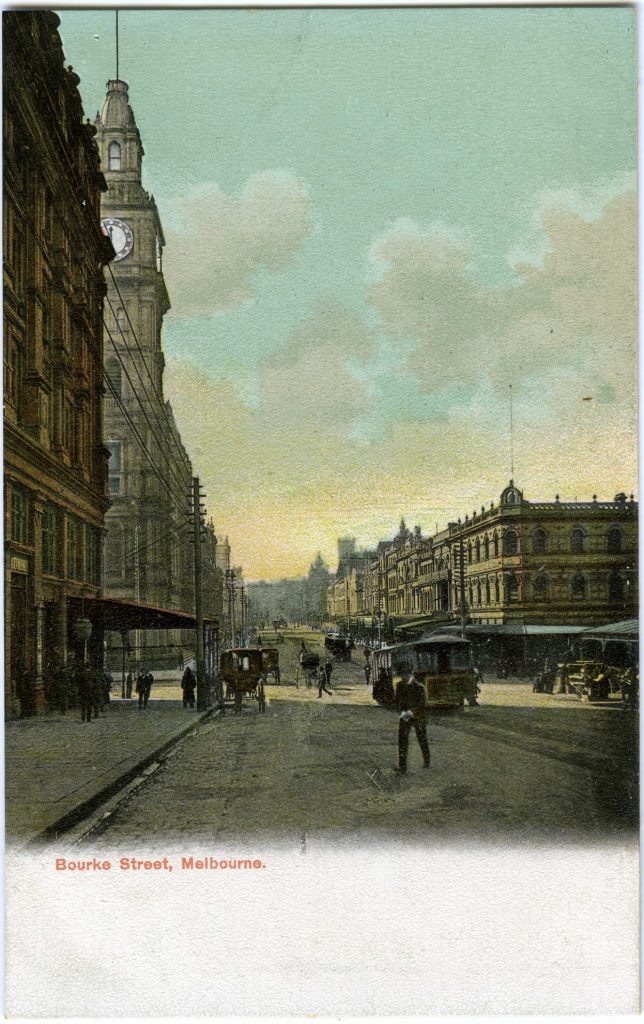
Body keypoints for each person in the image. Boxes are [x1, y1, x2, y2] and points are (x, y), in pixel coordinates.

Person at [395, 671, 430, 774]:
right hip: (405, 716)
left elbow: (422, 703)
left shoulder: (419, 687)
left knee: (422, 739)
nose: (403, 677)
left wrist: (411, 712)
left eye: (405, 674)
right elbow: (397, 701)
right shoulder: (399, 685)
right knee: (402, 739)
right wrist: (402, 712)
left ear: (410, 675)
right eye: (402, 675)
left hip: (418, 716)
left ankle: (427, 760)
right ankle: (402, 767)